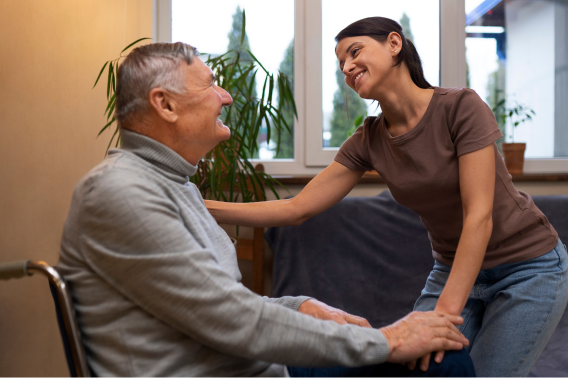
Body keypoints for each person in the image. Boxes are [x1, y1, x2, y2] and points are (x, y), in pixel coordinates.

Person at [56, 42, 474, 377]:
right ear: (165, 105)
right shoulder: (121, 191)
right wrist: (389, 341)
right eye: (211, 85)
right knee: (442, 362)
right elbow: (230, 320)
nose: (227, 96)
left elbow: (217, 306)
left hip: (252, 364)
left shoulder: (172, 185)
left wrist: (299, 305)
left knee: (440, 356)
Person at [205, 17, 568, 377]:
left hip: (528, 268)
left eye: (354, 51)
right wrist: (199, 205)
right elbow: (297, 207)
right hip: (453, 268)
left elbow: (479, 217)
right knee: (412, 368)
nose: (347, 67)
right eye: (341, 63)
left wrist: (440, 318)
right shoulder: (368, 140)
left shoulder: (460, 108)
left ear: (394, 44)